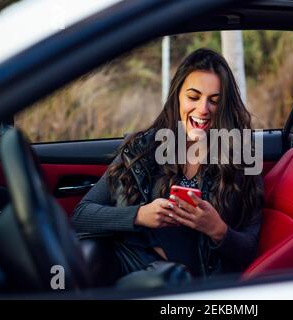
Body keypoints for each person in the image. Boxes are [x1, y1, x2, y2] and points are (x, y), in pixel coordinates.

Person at [71, 48, 264, 281]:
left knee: (161, 279)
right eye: (193, 97)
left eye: (215, 101)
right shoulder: (145, 147)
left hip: (181, 279)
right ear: (177, 97)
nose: (203, 109)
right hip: (127, 259)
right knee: (85, 256)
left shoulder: (241, 159)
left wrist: (216, 229)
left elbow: (249, 249)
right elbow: (81, 215)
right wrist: (139, 215)